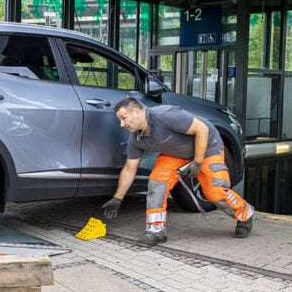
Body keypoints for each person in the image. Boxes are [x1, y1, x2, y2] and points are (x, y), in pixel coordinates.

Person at [102, 97, 254, 246]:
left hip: (207, 147)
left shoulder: (165, 116)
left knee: (215, 191)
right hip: (176, 154)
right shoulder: (136, 139)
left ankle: (245, 213)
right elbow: (129, 169)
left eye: (124, 118)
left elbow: (202, 129)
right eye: (120, 120)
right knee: (157, 184)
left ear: (136, 112)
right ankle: (155, 232)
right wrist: (117, 198)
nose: (122, 124)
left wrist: (198, 162)